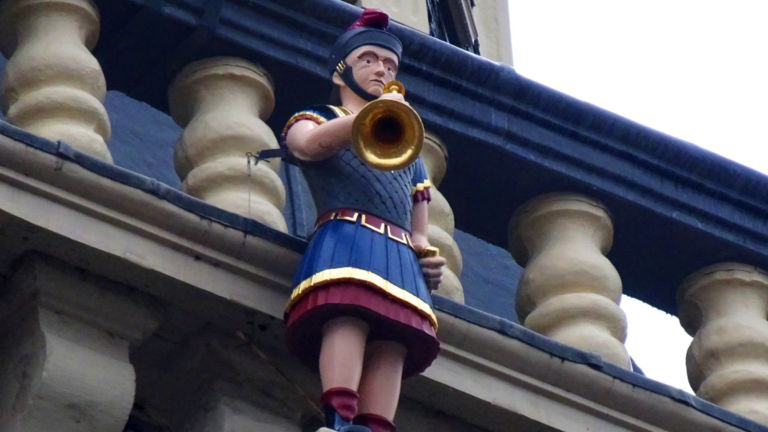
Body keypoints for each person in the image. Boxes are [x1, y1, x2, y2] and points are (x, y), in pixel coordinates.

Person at [282, 9, 446, 432]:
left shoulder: (406, 145)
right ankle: (340, 419)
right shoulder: (322, 117)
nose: (381, 70)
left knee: (395, 340)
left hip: (399, 253)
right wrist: (365, 120)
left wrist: (426, 251)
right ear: (341, 73)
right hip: (347, 236)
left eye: (389, 65)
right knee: (348, 315)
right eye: (369, 60)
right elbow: (307, 147)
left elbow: (420, 222)